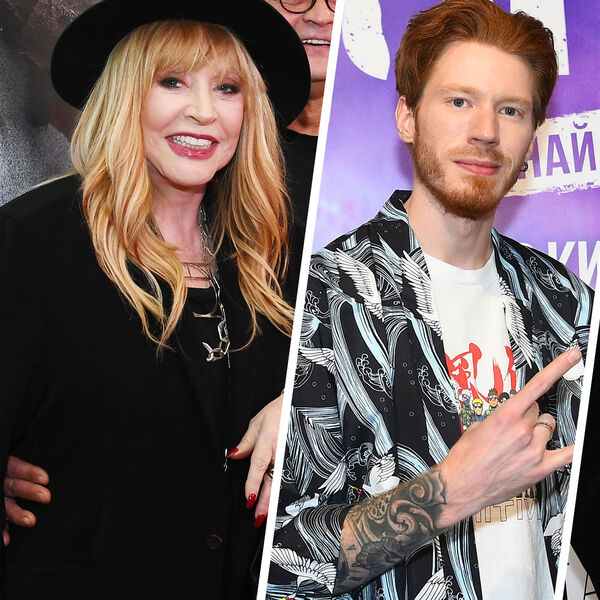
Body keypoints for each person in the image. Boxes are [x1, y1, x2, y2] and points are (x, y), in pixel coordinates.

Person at [267, 1, 592, 599]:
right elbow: (279, 560)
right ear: (407, 117)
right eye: (459, 101)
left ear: (531, 138)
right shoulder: (325, 298)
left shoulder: (567, 303)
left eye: (511, 110)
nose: (486, 131)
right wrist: (451, 491)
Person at [0, 0, 310, 597]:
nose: (204, 111)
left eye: (227, 88)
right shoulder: (33, 242)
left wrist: (297, 399)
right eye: (172, 82)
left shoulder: (274, 255)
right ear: (125, 96)